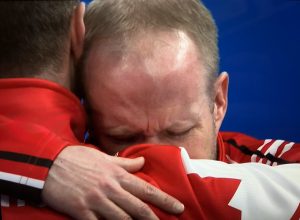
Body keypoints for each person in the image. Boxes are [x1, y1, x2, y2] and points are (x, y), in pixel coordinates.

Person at [80, 0, 300, 218]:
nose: (159, 161)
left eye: (178, 131)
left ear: (218, 101)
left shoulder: (276, 164)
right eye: (123, 136)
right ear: (87, 118)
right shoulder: (63, 173)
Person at [0, 1, 184, 220]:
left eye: (179, 131)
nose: (155, 155)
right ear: (79, 29)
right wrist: (42, 162)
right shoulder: (206, 191)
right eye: (122, 136)